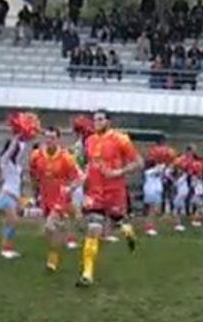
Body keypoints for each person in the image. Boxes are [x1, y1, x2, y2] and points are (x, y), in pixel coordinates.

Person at [78, 111, 143, 286]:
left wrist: (118, 172)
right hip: (95, 193)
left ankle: (129, 232)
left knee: (117, 220)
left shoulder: (121, 139)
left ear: (109, 121)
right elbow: (90, 165)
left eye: (100, 119)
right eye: (95, 120)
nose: (97, 122)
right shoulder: (89, 141)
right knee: (93, 229)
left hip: (115, 192)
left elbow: (139, 162)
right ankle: (87, 273)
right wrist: (82, 182)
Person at [29, 128, 83, 273]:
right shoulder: (36, 155)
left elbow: (79, 178)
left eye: (52, 138)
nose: (49, 141)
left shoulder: (66, 157)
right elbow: (34, 176)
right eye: (47, 137)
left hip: (61, 196)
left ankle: (53, 259)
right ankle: (64, 234)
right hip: (45, 196)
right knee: (53, 230)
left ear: (58, 139)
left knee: (49, 226)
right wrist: (35, 193)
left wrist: (70, 189)